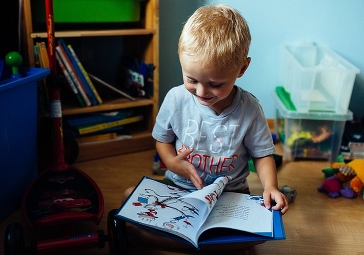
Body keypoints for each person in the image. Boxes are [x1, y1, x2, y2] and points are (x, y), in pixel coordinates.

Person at [116, 4, 289, 251]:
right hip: (179, 190)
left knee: (263, 232)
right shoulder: (176, 99)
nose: (201, 92)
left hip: (230, 195)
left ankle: (166, 240)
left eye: (215, 84)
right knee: (128, 195)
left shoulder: (250, 109)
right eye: (191, 80)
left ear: (242, 68)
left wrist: (270, 187)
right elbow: (162, 141)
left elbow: (262, 155)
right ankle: (203, 244)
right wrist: (172, 163)